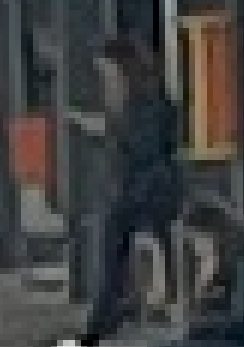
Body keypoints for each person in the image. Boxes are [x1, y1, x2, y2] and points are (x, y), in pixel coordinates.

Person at [69, 34, 185, 347]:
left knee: (113, 248)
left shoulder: (143, 104)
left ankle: (104, 322)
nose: (106, 81)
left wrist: (109, 130)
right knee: (115, 248)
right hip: (137, 192)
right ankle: (110, 316)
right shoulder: (135, 103)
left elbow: (143, 146)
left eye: (108, 73)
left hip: (144, 192)